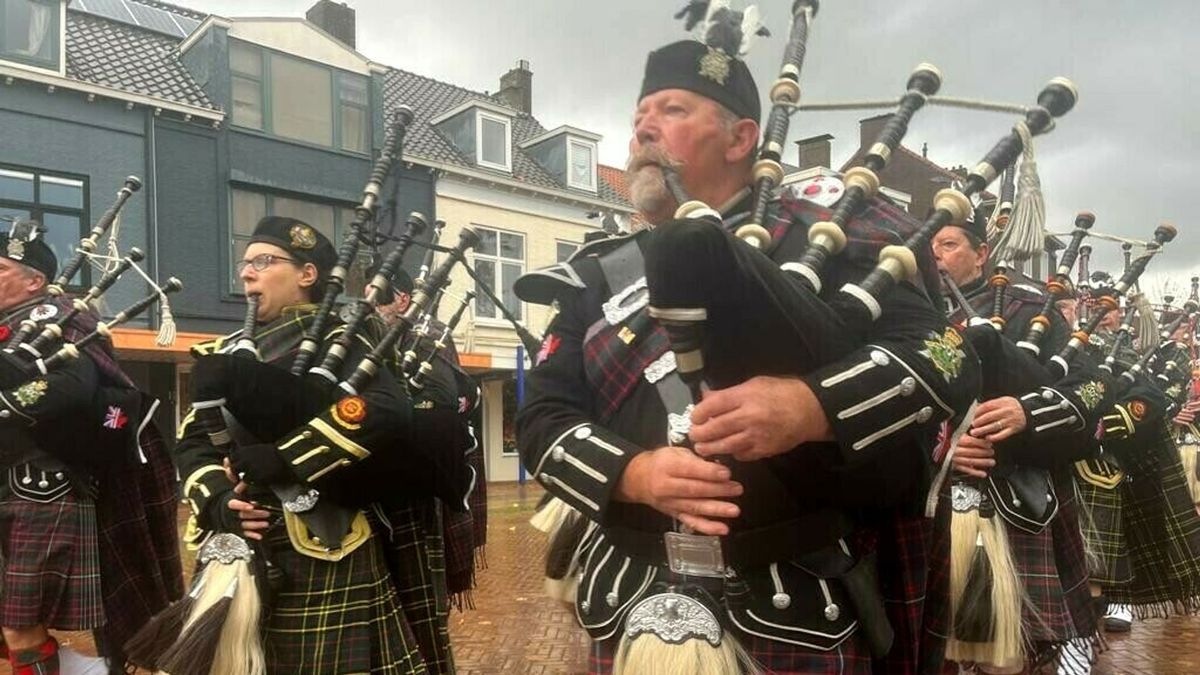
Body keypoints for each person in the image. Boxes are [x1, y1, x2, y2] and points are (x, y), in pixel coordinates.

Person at [515, 36, 979, 674]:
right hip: (629, 599)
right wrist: (635, 473)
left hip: (794, 601)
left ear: (741, 139)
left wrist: (811, 406)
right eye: (638, 116)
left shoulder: (839, 234)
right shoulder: (597, 275)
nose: (644, 127)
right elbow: (542, 420)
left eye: (672, 110)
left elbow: (949, 358)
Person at [173, 216, 430, 673]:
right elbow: (193, 440)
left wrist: (286, 459)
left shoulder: (343, 337)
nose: (247, 272)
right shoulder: (225, 351)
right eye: (245, 262)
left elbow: (384, 411)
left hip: (320, 537)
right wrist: (215, 497)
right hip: (239, 540)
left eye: (264, 261)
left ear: (307, 275)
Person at [0, 220, 181, 674]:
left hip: (41, 489)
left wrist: (7, 397)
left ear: (33, 281)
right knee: (13, 631)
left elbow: (74, 389)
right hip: (7, 486)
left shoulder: (63, 319)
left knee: (21, 629)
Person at [932, 219, 1104, 673]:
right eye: (929, 245)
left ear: (982, 253)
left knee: (1006, 660)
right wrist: (945, 446)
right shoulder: (907, 313)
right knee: (927, 650)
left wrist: (1027, 411)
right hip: (928, 504)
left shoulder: (1031, 311)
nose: (935, 254)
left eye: (948, 244)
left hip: (1011, 498)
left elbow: (1090, 392)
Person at [373, 269, 483, 675]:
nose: (373, 305)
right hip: (376, 495)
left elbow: (440, 411)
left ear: (402, 300)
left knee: (420, 620)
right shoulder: (369, 337)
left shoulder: (427, 337)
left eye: (380, 297)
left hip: (416, 499)